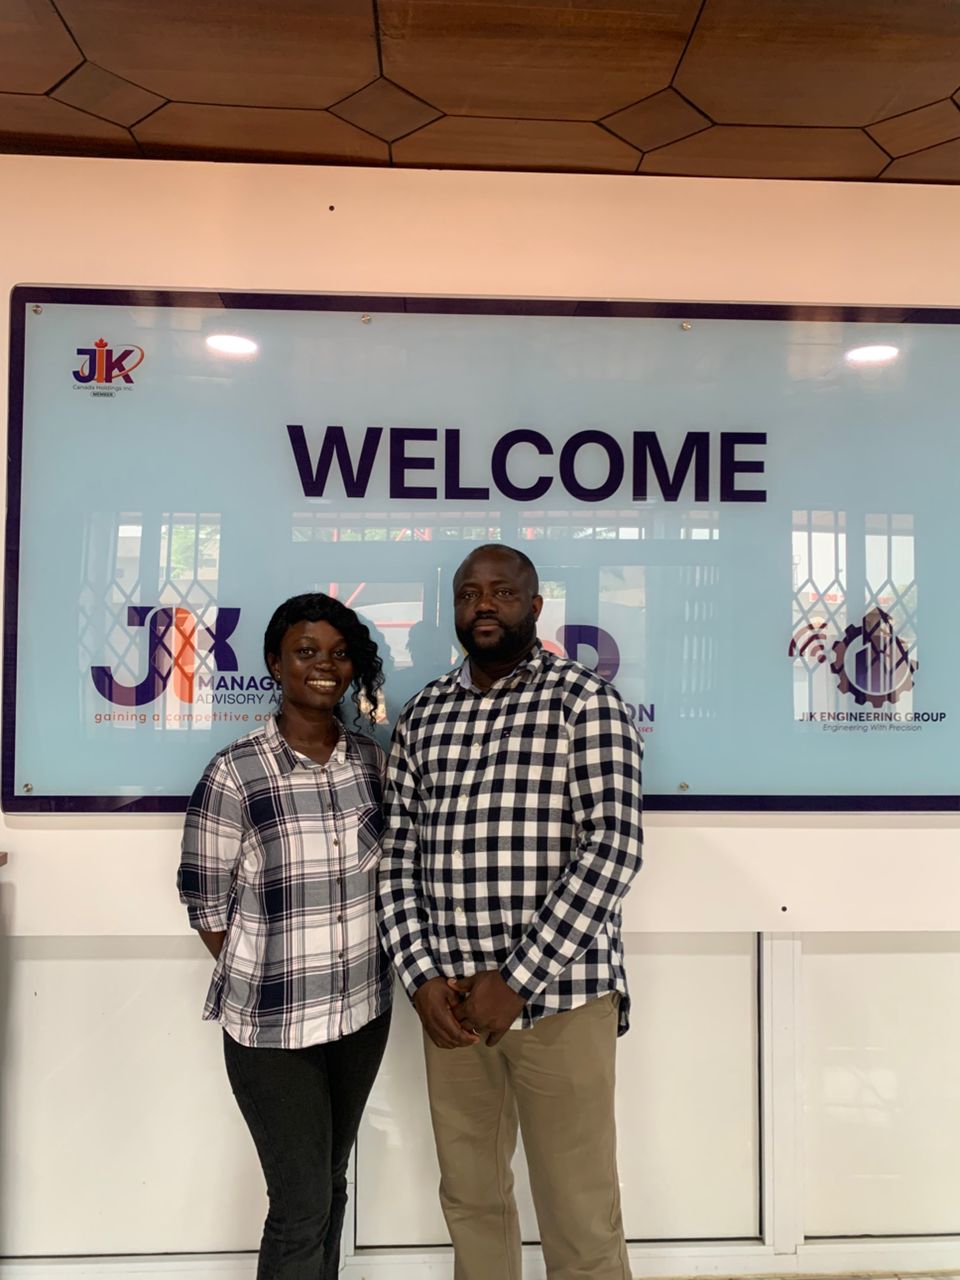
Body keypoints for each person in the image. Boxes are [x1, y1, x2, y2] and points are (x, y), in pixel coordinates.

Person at [378, 544, 643, 1280]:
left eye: (501, 592)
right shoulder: (424, 715)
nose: (483, 605)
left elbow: (613, 849)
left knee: (579, 1209)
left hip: (561, 1001)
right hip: (452, 1008)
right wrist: (421, 979)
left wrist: (517, 980)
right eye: (468, 594)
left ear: (535, 606)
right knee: (470, 1200)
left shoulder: (584, 703)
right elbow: (397, 858)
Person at [178, 592, 392, 1279]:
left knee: (330, 1183)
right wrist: (270, 969)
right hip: (272, 1027)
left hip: (361, 1013)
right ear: (275, 663)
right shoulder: (236, 771)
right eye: (306, 652)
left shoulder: (373, 764)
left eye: (339, 653)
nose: (324, 665)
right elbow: (205, 901)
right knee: (301, 1206)